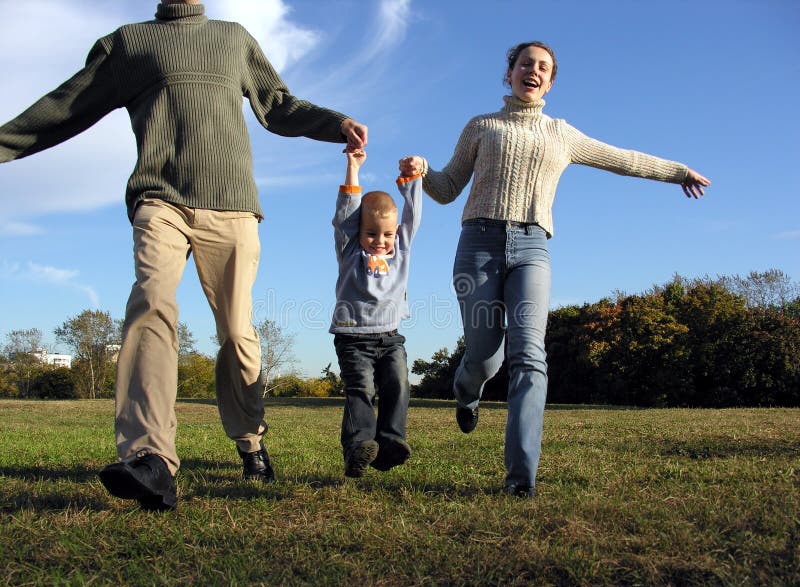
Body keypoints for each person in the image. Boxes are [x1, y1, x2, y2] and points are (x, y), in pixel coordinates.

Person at [0, 0, 368, 511]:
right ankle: (150, 458)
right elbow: (67, 106)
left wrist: (336, 122)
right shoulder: (129, 44)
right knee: (151, 302)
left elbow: (278, 104)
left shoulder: (232, 37)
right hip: (159, 199)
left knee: (236, 331)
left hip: (233, 204)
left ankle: (250, 442)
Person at [399, 41, 709, 498]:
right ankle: (466, 391)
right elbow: (446, 189)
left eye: (543, 67)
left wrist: (677, 171)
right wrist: (422, 170)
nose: (534, 71)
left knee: (529, 353)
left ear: (551, 81)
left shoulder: (562, 134)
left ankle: (520, 480)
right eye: (526, 64)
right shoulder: (481, 127)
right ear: (510, 74)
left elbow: (623, 158)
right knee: (486, 354)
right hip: (478, 246)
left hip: (532, 247)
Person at [331, 148, 422, 477]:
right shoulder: (349, 249)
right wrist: (353, 168)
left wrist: (411, 180)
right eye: (371, 233)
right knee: (361, 391)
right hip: (352, 336)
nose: (380, 241)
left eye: (387, 234)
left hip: (390, 337)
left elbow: (412, 217)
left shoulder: (402, 249)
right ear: (358, 232)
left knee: (398, 384)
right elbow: (346, 215)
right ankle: (357, 447)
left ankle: (390, 444)